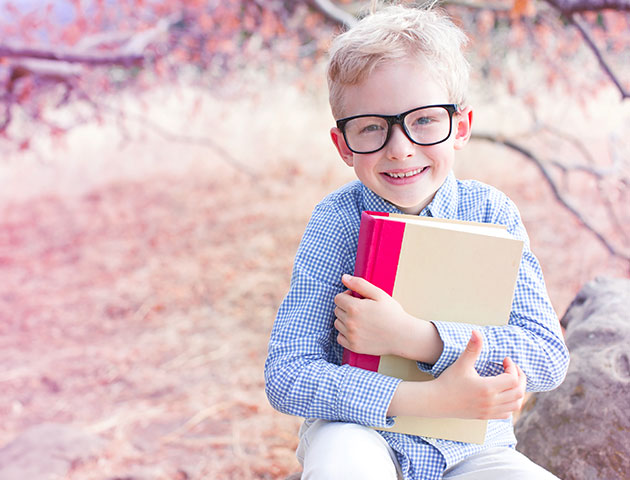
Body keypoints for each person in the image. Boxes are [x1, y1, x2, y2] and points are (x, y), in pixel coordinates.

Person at [264, 3, 570, 479]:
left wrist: (420, 339)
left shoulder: (491, 214)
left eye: (424, 120)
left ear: (461, 127)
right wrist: (421, 399)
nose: (400, 147)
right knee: (342, 455)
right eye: (371, 127)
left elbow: (547, 356)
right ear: (343, 145)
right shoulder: (335, 221)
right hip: (360, 432)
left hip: (473, 449)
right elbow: (288, 372)